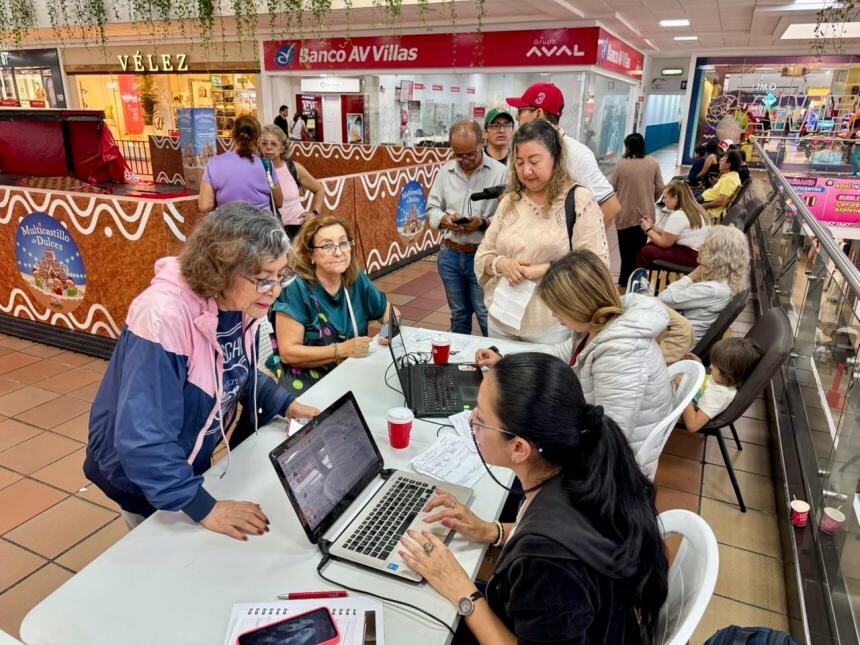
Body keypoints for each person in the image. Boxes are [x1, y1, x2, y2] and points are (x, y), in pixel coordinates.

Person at [84, 204, 319, 537]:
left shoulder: (241, 303)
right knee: (160, 554)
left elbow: (237, 370)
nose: (277, 291)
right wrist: (202, 506)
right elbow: (142, 441)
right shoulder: (162, 316)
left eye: (281, 277)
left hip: (184, 462)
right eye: (265, 280)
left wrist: (283, 402)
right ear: (221, 269)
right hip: (140, 477)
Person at [399, 352, 668, 644]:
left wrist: (461, 590)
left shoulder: (547, 562)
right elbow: (566, 538)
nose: (472, 420)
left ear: (519, 448)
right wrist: (492, 531)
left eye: (481, 417)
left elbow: (553, 555)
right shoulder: (581, 464)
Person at [474, 120, 609, 343]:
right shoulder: (510, 201)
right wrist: (501, 264)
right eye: (519, 162)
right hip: (501, 319)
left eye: (534, 161)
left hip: (552, 323)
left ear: (555, 158)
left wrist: (546, 269)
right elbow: (483, 255)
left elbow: (595, 265)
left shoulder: (578, 201)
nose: (526, 171)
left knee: (543, 378)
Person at [505, 82, 623, 280]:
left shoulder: (575, 153)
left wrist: (574, 255)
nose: (517, 117)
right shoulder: (522, 148)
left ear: (539, 113)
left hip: (556, 272)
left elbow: (610, 206)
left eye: (521, 111)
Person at [273, 215, 396, 395]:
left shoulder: (355, 280)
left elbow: (393, 315)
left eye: (344, 243)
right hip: (312, 384)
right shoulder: (296, 288)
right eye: (327, 246)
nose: (339, 252)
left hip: (352, 377)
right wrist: (341, 350)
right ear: (310, 254)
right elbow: (288, 352)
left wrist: (386, 332)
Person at [427, 119, 507, 336]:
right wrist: (445, 220)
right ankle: (459, 362)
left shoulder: (501, 173)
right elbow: (432, 208)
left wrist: (482, 223)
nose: (465, 160)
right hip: (450, 254)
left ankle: (494, 362)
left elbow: (507, 217)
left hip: (483, 255)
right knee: (459, 314)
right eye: (458, 155)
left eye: (470, 154)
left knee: (485, 313)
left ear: (482, 142)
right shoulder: (445, 173)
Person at [658, 225, 750, 343]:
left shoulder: (711, 289)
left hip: (677, 340)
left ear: (717, 255)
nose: (699, 247)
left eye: (705, 246)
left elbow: (662, 299)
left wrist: (691, 276)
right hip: (684, 331)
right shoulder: (727, 281)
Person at [609, 132, 664, 286]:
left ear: (627, 147)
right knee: (639, 250)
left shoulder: (621, 164)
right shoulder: (653, 163)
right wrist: (650, 200)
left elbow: (611, 186)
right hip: (644, 215)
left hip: (624, 214)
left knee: (625, 252)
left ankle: (623, 280)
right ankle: (637, 280)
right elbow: (660, 187)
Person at [198, 116, 283, 214]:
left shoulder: (214, 163)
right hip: (262, 226)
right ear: (258, 139)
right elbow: (279, 202)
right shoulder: (266, 165)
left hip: (227, 226)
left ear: (233, 135)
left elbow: (204, 206)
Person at [682, 337, 762, 432]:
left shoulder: (719, 395)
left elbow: (692, 425)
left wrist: (683, 389)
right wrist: (700, 365)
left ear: (728, 373)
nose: (711, 366)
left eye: (715, 365)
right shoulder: (722, 379)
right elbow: (707, 383)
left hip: (678, 402)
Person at [259, 125, 324, 238]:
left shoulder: (293, 167)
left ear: (282, 148)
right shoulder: (255, 170)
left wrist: (314, 213)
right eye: (264, 143)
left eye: (274, 144)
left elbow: (319, 190)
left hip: (297, 229)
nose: (268, 148)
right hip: (270, 232)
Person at [636, 179, 710, 271]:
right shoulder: (695, 209)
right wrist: (652, 226)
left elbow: (664, 243)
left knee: (646, 252)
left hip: (692, 256)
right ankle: (652, 276)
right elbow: (671, 235)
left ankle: (641, 281)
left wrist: (647, 229)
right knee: (651, 244)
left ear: (675, 197)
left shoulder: (679, 215)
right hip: (699, 253)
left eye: (665, 197)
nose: (663, 200)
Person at [701, 149, 742, 221]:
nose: (719, 161)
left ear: (728, 165)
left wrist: (702, 206)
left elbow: (720, 202)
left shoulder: (728, 180)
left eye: (722, 160)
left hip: (708, 209)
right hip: (705, 201)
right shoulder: (731, 175)